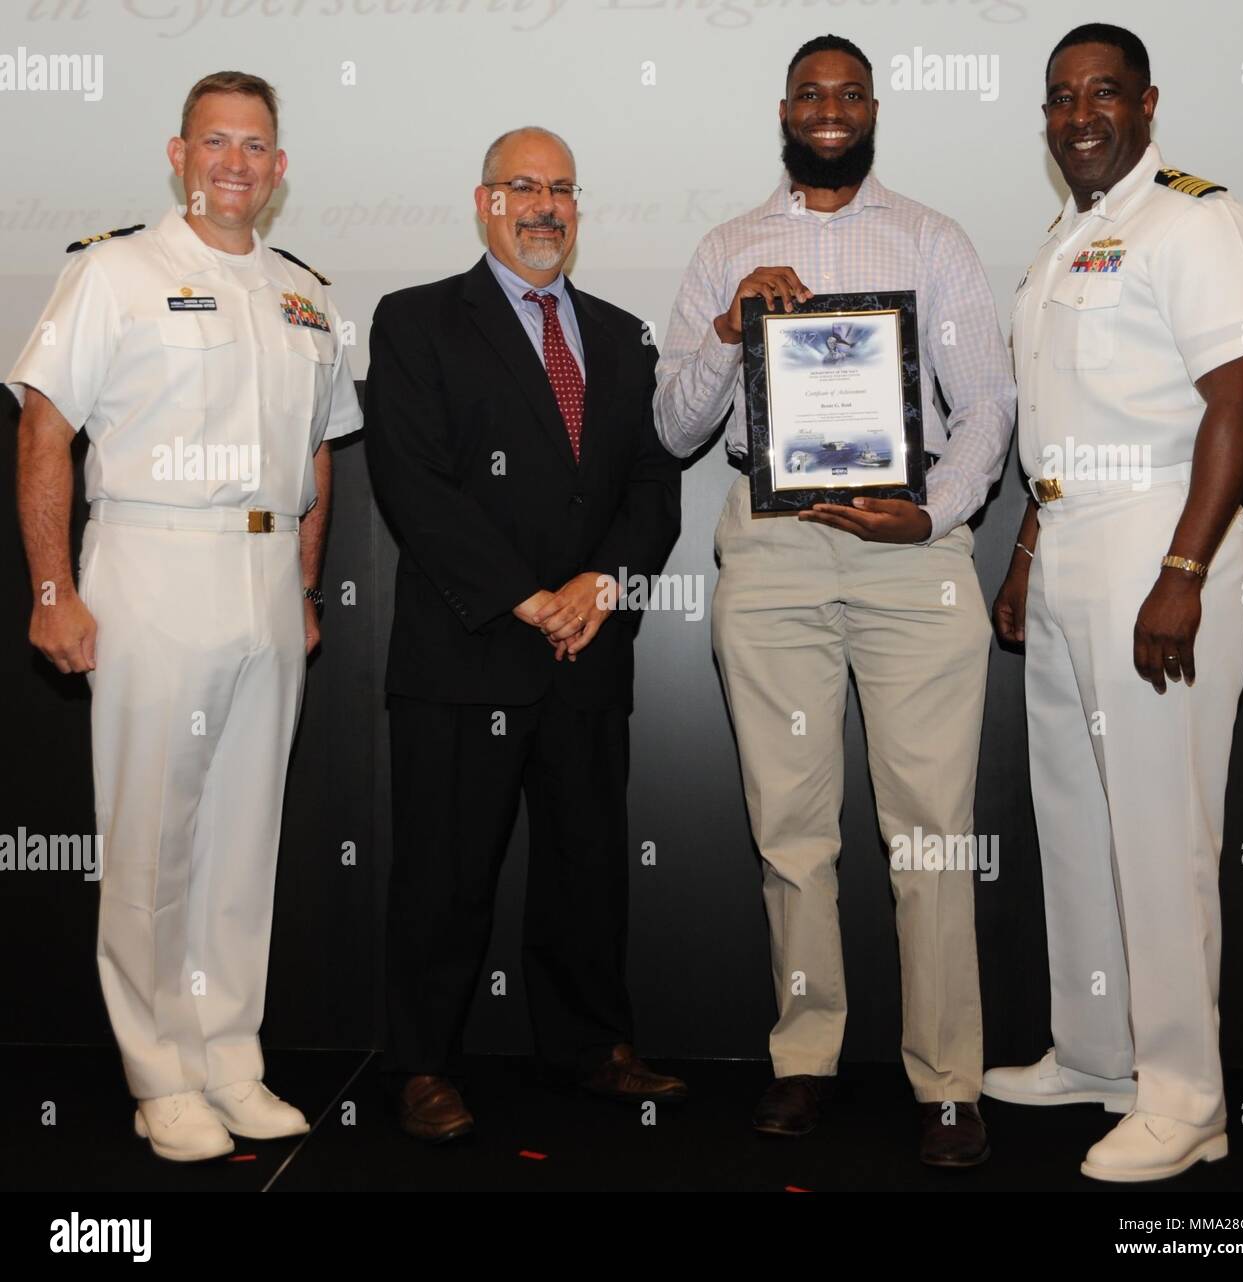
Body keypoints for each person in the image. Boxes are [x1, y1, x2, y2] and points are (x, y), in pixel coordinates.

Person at [654, 35, 1015, 1165]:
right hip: (773, 549)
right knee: (790, 829)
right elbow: (672, 425)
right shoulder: (725, 247)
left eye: (847, 93)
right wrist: (729, 330)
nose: (827, 110)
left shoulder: (931, 238)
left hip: (908, 547)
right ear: (784, 110)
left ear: (871, 109)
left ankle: (948, 1081)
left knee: (933, 832)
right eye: (809, 94)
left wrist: (934, 512)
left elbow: (987, 404)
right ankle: (804, 1059)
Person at [8, 72, 362, 1160]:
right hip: (152, 564)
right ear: (178, 155)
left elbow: (317, 455)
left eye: (255, 146)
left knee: (243, 842)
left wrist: (305, 590)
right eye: (215, 142)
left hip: (265, 574)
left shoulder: (305, 294)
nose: (234, 163)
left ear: (279, 167)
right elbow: (45, 427)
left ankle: (228, 1058)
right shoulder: (113, 272)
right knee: (152, 840)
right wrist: (53, 590)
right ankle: (159, 1073)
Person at [982, 24, 1243, 1182]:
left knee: (1159, 830)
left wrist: (1184, 569)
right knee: (1077, 817)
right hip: (1068, 538)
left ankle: (1187, 1097)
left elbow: (1241, 397)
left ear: (1147, 105)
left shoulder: (1194, 219)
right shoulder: (1065, 237)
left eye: (1102, 93)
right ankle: (1099, 1053)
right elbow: (1057, 421)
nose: (1079, 116)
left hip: (1158, 535)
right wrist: (1026, 554)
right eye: (1059, 98)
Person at [365, 127, 684, 1142]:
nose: (545, 205)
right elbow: (414, 483)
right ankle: (422, 1063)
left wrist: (601, 584)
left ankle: (590, 1047)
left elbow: (652, 485)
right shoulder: (416, 320)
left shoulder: (624, 336)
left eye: (562, 189)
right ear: (485, 202)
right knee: (443, 877)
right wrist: (525, 597)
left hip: (588, 647)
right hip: (467, 651)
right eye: (523, 186)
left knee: (587, 871)